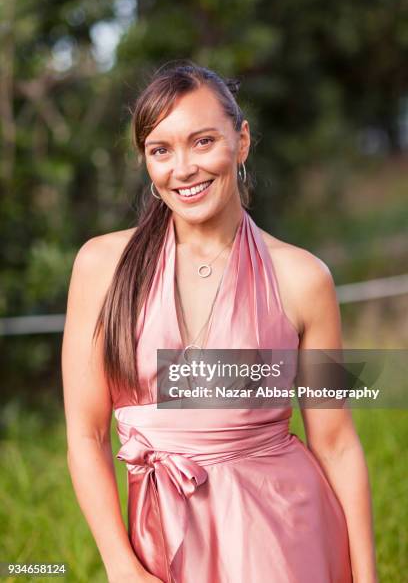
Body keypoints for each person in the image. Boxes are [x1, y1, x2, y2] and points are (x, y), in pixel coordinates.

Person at [61, 61, 378, 583]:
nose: (182, 169)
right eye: (161, 150)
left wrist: (367, 578)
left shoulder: (302, 278)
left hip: (284, 542)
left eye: (202, 141)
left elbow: (337, 441)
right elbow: (85, 433)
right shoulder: (101, 266)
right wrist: (121, 567)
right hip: (156, 542)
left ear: (242, 141)